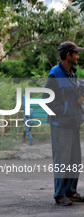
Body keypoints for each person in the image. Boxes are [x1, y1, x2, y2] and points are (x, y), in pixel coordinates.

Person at [43, 41, 84, 206]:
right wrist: (66, 110)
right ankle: (59, 195)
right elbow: (47, 100)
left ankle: (71, 192)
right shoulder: (55, 74)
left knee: (75, 160)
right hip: (60, 125)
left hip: (73, 124)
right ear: (68, 55)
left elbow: (74, 95)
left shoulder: (72, 73)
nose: (78, 56)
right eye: (76, 53)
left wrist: (80, 100)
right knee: (62, 161)